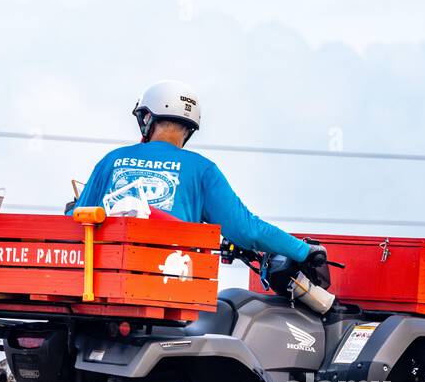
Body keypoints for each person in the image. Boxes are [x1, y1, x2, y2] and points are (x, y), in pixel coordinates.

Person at [73, 80, 328, 286]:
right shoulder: (201, 169)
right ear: (190, 129)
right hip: (170, 287)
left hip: (100, 284)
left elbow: (74, 218)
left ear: (147, 118)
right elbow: (247, 230)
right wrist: (305, 251)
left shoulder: (112, 160)